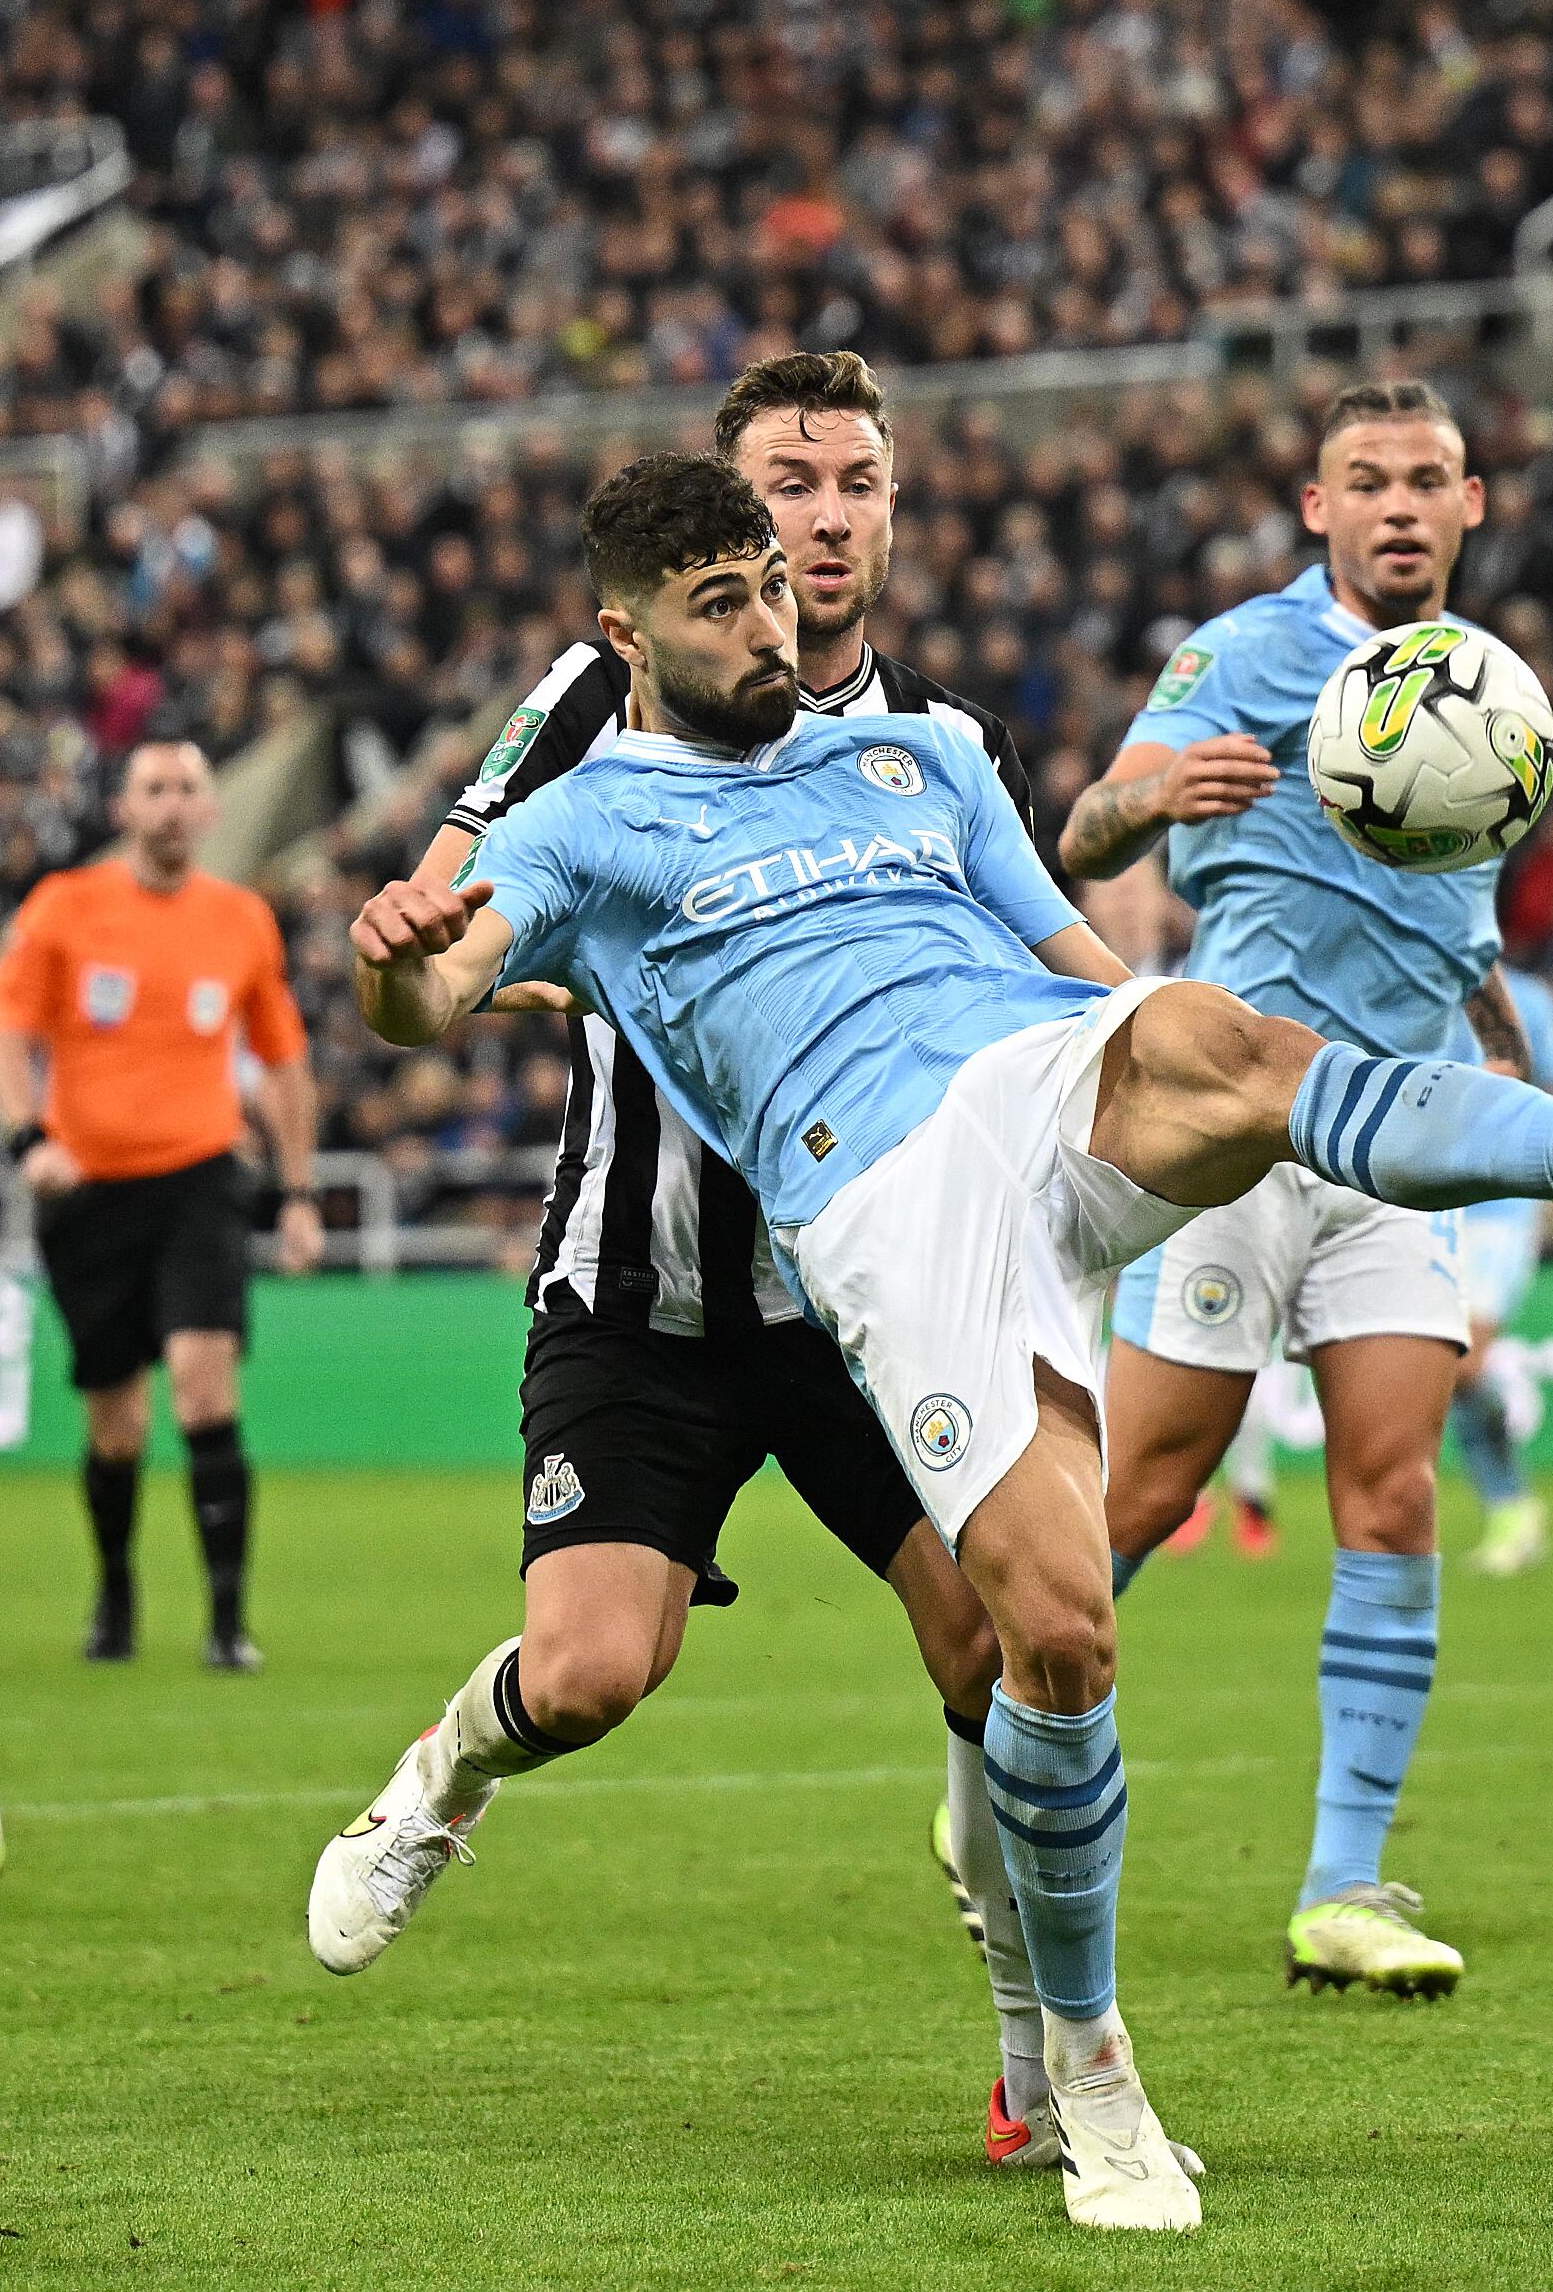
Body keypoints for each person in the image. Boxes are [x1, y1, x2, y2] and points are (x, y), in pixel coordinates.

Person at [330, 453, 1553, 2232]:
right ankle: (1085, 2063)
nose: (771, 618)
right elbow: (430, 995)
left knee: (1222, 1039)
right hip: (877, 1195)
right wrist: (397, 956)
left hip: (1037, 1078)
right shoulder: (584, 821)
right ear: (629, 632)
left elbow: (1081, 955)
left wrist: (1165, 1048)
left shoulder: (925, 753)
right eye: (725, 600)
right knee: (1053, 1639)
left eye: (780, 582)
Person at [330, 354, 1071, 2179]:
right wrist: (419, 941)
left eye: (852, 484)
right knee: (589, 1676)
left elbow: (1037, 999)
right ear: (721, 523)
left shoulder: (940, 748)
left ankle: (1031, 2059)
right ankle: (440, 1775)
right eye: (780, 490)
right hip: (644, 1288)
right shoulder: (599, 695)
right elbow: (456, 920)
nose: (816, 521)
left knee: (1005, 1644)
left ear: (894, 510)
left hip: (861, 1299)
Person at [1056, 377, 1524, 2001]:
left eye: (1429, 479)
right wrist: (1152, 797)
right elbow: (1082, 822)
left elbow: (1470, 941)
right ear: (1317, 508)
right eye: (1367, 481)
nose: (1400, 504)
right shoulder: (1242, 652)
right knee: (1145, 1493)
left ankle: (1344, 1884)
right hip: (1239, 1138)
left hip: (1398, 1145)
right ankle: (998, 1745)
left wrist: (1517, 1094)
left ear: (1474, 504)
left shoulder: (1485, 688)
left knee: (1394, 1491)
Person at [0, 738, 323, 1671]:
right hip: (88, 1188)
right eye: (154, 789)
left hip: (201, 1176)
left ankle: (225, 1621)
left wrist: (298, 1192)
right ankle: (117, 1596)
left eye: (187, 790)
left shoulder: (242, 919)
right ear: (125, 809)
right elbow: (7, 1032)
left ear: (209, 813)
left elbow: (285, 1063)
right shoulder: (65, 908)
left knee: (206, 1387)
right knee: (116, 1418)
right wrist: (28, 1140)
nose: (172, 805)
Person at [1449, 963, 1553, 1574]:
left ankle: (1512, 1505)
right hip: (1431, 1203)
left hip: (1500, 1212)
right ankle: (1508, 1507)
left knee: (1464, 1363)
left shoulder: (1529, 998)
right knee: (1444, 1370)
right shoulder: (1421, 980)